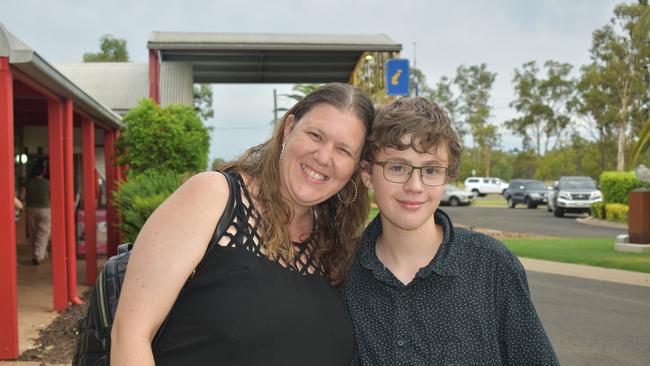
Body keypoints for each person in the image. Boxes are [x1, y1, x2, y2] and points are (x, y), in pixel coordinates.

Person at [111, 82, 374, 365]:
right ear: (289, 129)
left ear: (357, 167)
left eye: (344, 150)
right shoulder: (214, 198)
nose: (323, 157)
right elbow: (130, 334)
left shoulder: (335, 245)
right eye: (315, 135)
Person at [342, 97, 559, 365]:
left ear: (447, 177)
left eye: (431, 170)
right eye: (398, 167)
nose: (415, 186)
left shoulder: (491, 266)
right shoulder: (340, 271)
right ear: (367, 174)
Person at [20, 159, 51, 265]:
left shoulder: (27, 182)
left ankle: (37, 253)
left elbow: (22, 196)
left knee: (33, 232)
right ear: (43, 172)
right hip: (45, 209)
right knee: (43, 233)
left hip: (31, 209)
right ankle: (39, 255)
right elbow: (52, 196)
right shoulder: (48, 183)